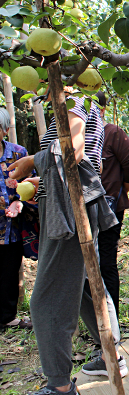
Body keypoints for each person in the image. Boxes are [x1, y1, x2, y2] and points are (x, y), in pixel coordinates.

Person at [10, 90, 125, 394]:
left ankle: (59, 386)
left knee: (46, 301)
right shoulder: (82, 105)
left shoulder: (73, 102)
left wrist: (31, 161)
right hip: (71, 204)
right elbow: (79, 160)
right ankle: (110, 354)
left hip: (68, 209)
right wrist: (41, 181)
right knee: (87, 287)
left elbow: (70, 152)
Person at [95, 92, 129, 315]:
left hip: (108, 208)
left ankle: (110, 317)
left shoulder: (112, 133)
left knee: (106, 261)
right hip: (82, 210)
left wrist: (122, 190)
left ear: (101, 109)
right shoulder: (76, 136)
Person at [0, 108, 37, 331]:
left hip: (11, 224)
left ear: (4, 130)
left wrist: (19, 202)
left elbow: (29, 185)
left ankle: (7, 316)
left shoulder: (18, 154)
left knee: (9, 268)